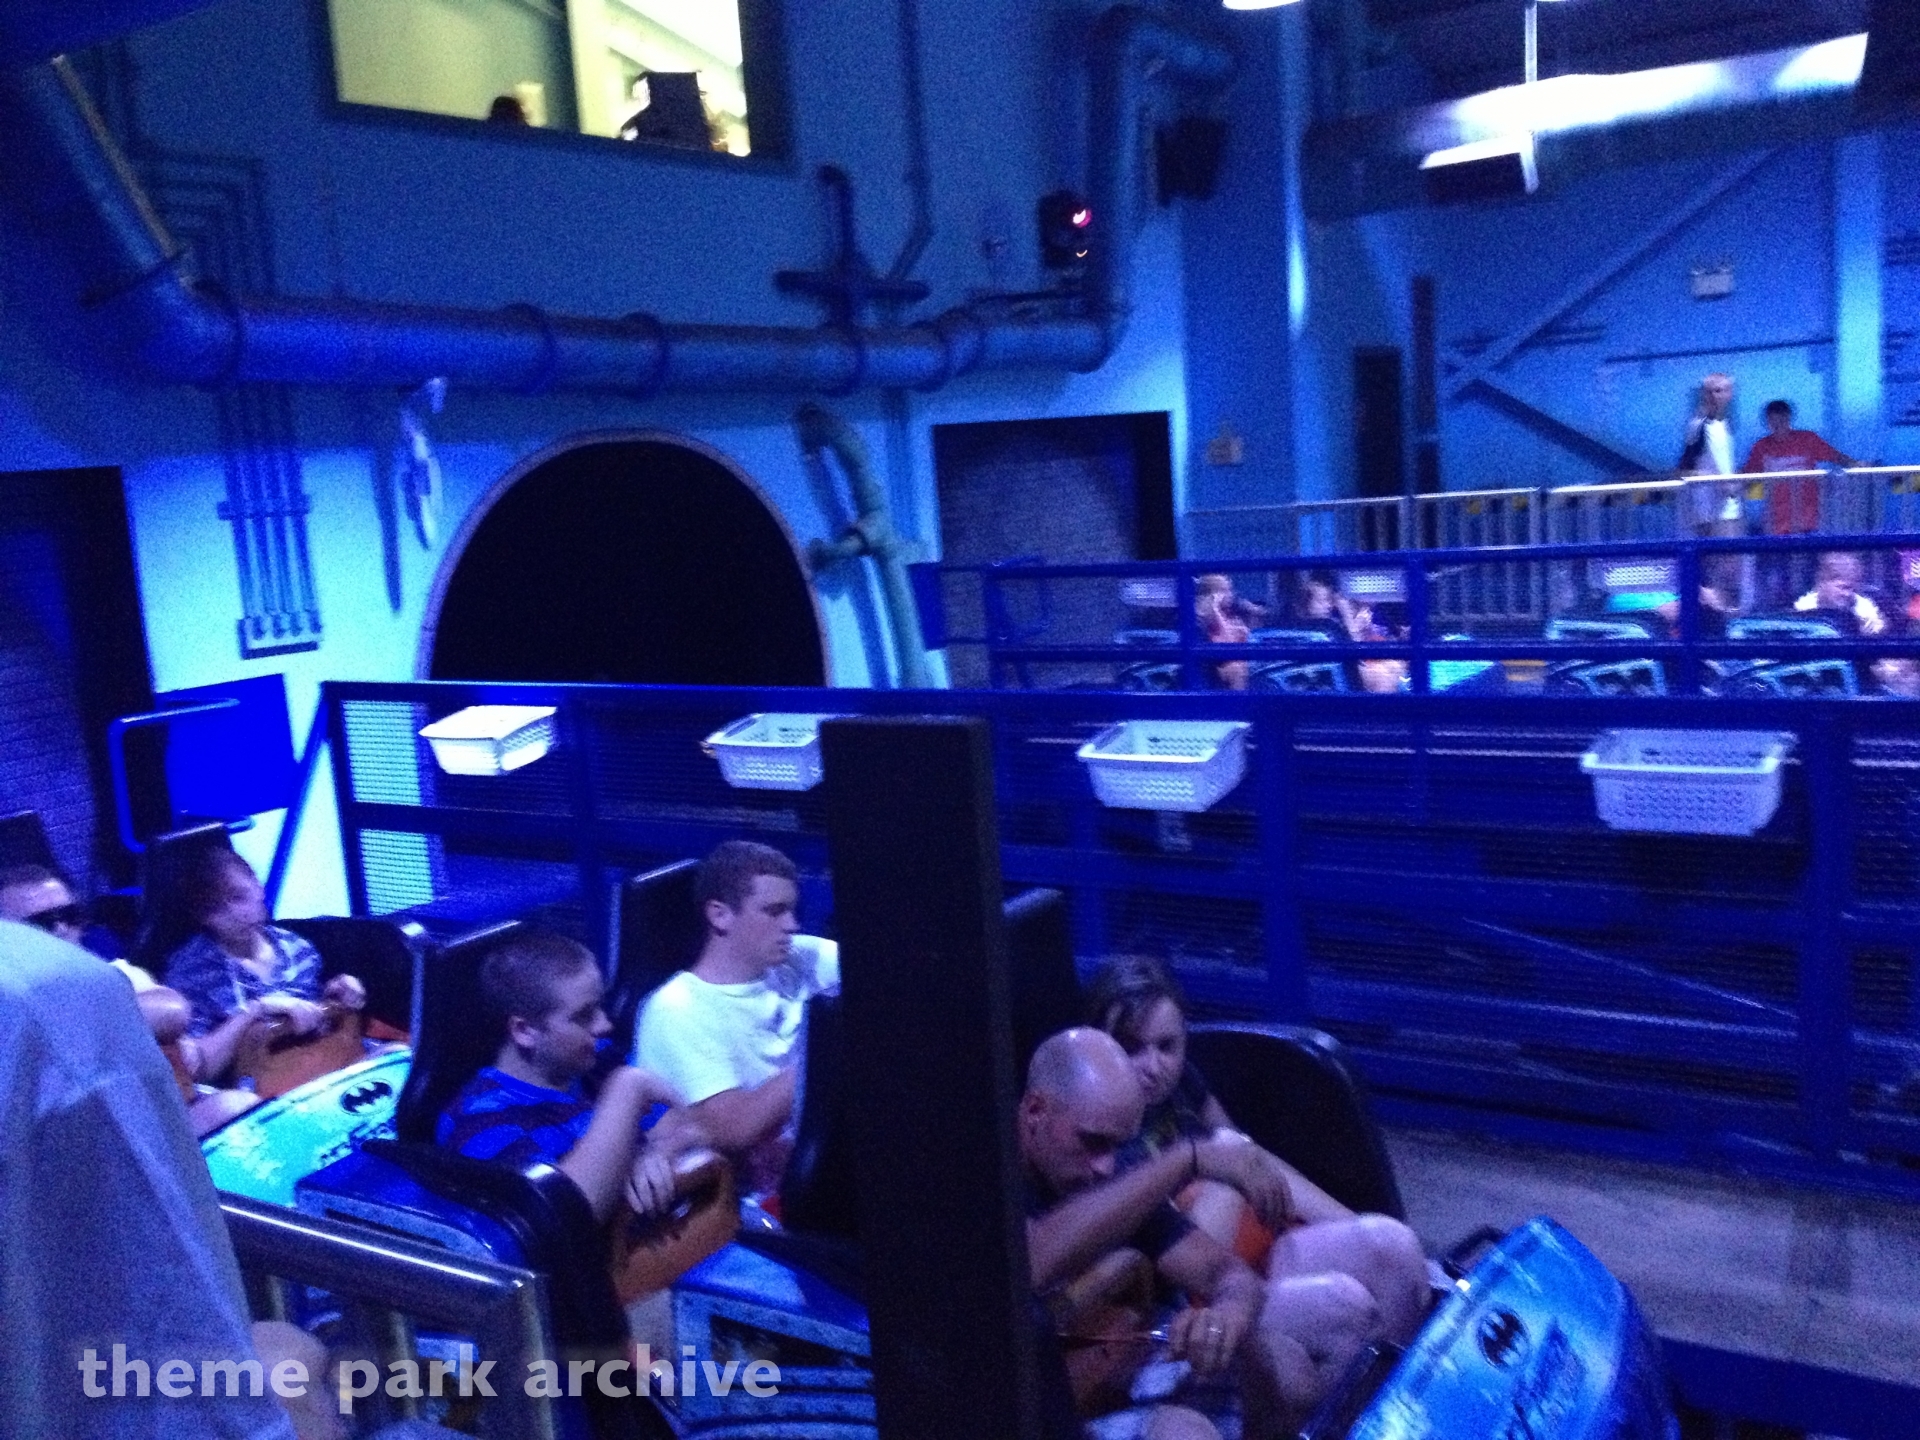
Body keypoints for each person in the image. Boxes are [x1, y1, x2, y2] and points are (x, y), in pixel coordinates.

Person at [1022, 1029, 1396, 1436]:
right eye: (1092, 1142)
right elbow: (1033, 1259)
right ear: (1036, 1110)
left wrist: (1227, 1318)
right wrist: (1186, 1159)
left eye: (1117, 1146)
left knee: (1286, 1366)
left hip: (1117, 1356)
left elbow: (1229, 1275)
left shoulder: (1112, 1172)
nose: (1106, 1167)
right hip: (1031, 1400)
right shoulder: (984, 1174)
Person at [1086, 957, 1430, 1339]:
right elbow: (1171, 1270)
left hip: (1254, 1247)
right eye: (1131, 1048)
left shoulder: (1181, 1083)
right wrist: (1225, 1173)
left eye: (1166, 1047)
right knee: (1344, 1302)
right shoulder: (1095, 1131)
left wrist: (1353, 1225)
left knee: (1394, 1245)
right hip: (1197, 1300)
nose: (1153, 1067)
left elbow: (1251, 1162)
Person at [439, 929, 698, 1222]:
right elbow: (565, 1215)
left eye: (600, 1006)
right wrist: (628, 1087)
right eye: (584, 1015)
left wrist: (653, 1154)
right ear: (525, 1031)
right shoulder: (480, 1121)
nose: (604, 1025)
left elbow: (691, 1127)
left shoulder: (599, 1060)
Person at [632, 841, 837, 1197]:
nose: (792, 925)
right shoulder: (676, 1010)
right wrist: (830, 1048)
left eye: (792, 910)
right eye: (774, 912)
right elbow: (735, 1128)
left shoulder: (801, 959)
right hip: (759, 1199)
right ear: (720, 915)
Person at [163, 848, 366, 1084]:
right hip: (255, 1088)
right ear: (202, 917)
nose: (237, 914)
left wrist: (337, 993)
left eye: (240, 897)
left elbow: (317, 1016)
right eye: (216, 909)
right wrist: (256, 1010)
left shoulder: (296, 947)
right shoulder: (190, 972)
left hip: (322, 1066)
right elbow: (196, 1068)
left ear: (258, 887)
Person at [1744, 400, 1855, 536]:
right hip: (1777, 520)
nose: (1778, 426)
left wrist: (1856, 465)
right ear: (1767, 422)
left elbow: (1836, 457)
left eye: (1782, 420)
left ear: (1789, 418)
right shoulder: (1761, 447)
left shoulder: (1808, 439)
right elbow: (1750, 476)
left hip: (1809, 517)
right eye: (1774, 422)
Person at [1678, 372, 1742, 536]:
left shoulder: (1727, 425)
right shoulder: (1698, 426)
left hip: (1730, 506)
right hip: (1707, 511)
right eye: (1710, 392)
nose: (1714, 396)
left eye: (1719, 391)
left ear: (1729, 394)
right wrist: (1713, 478)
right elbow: (1684, 468)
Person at [1795, 551, 1886, 636]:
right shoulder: (1803, 610)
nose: (1848, 594)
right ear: (1822, 582)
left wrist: (1871, 631)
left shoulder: (1866, 612)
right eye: (1843, 587)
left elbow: (1879, 634)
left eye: (1853, 589)